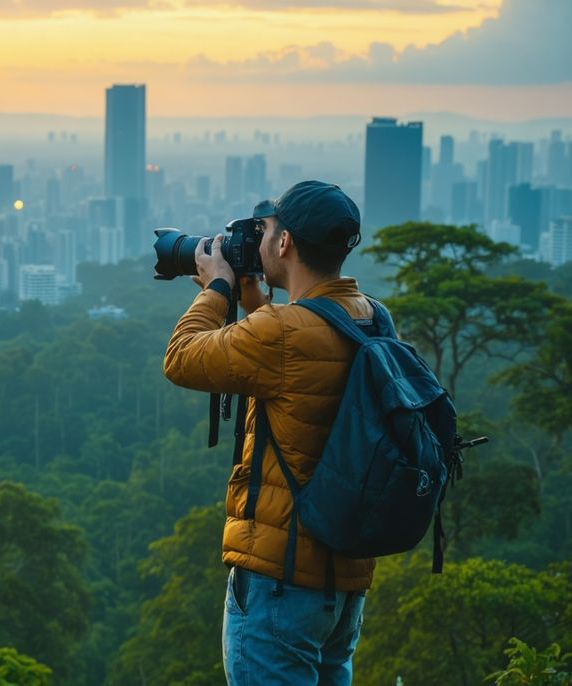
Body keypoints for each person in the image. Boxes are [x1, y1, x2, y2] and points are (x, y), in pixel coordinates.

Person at [163, 180, 376, 685]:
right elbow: (303, 372)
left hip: (280, 584)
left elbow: (181, 358)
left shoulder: (282, 332)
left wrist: (217, 287)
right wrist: (257, 302)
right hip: (343, 585)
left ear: (284, 244)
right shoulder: (370, 316)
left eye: (267, 230)